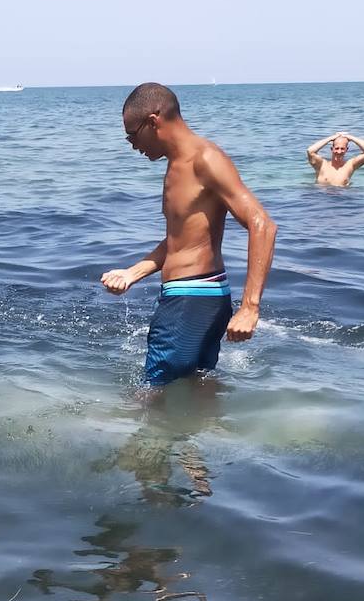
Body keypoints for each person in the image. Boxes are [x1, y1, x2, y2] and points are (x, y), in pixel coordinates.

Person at [101, 83, 276, 387]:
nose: (131, 145)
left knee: (152, 395)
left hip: (188, 301)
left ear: (153, 121)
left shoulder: (204, 159)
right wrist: (133, 273)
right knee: (197, 388)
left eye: (132, 135)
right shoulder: (177, 165)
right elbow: (179, 240)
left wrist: (250, 307)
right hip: (203, 299)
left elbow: (262, 224)